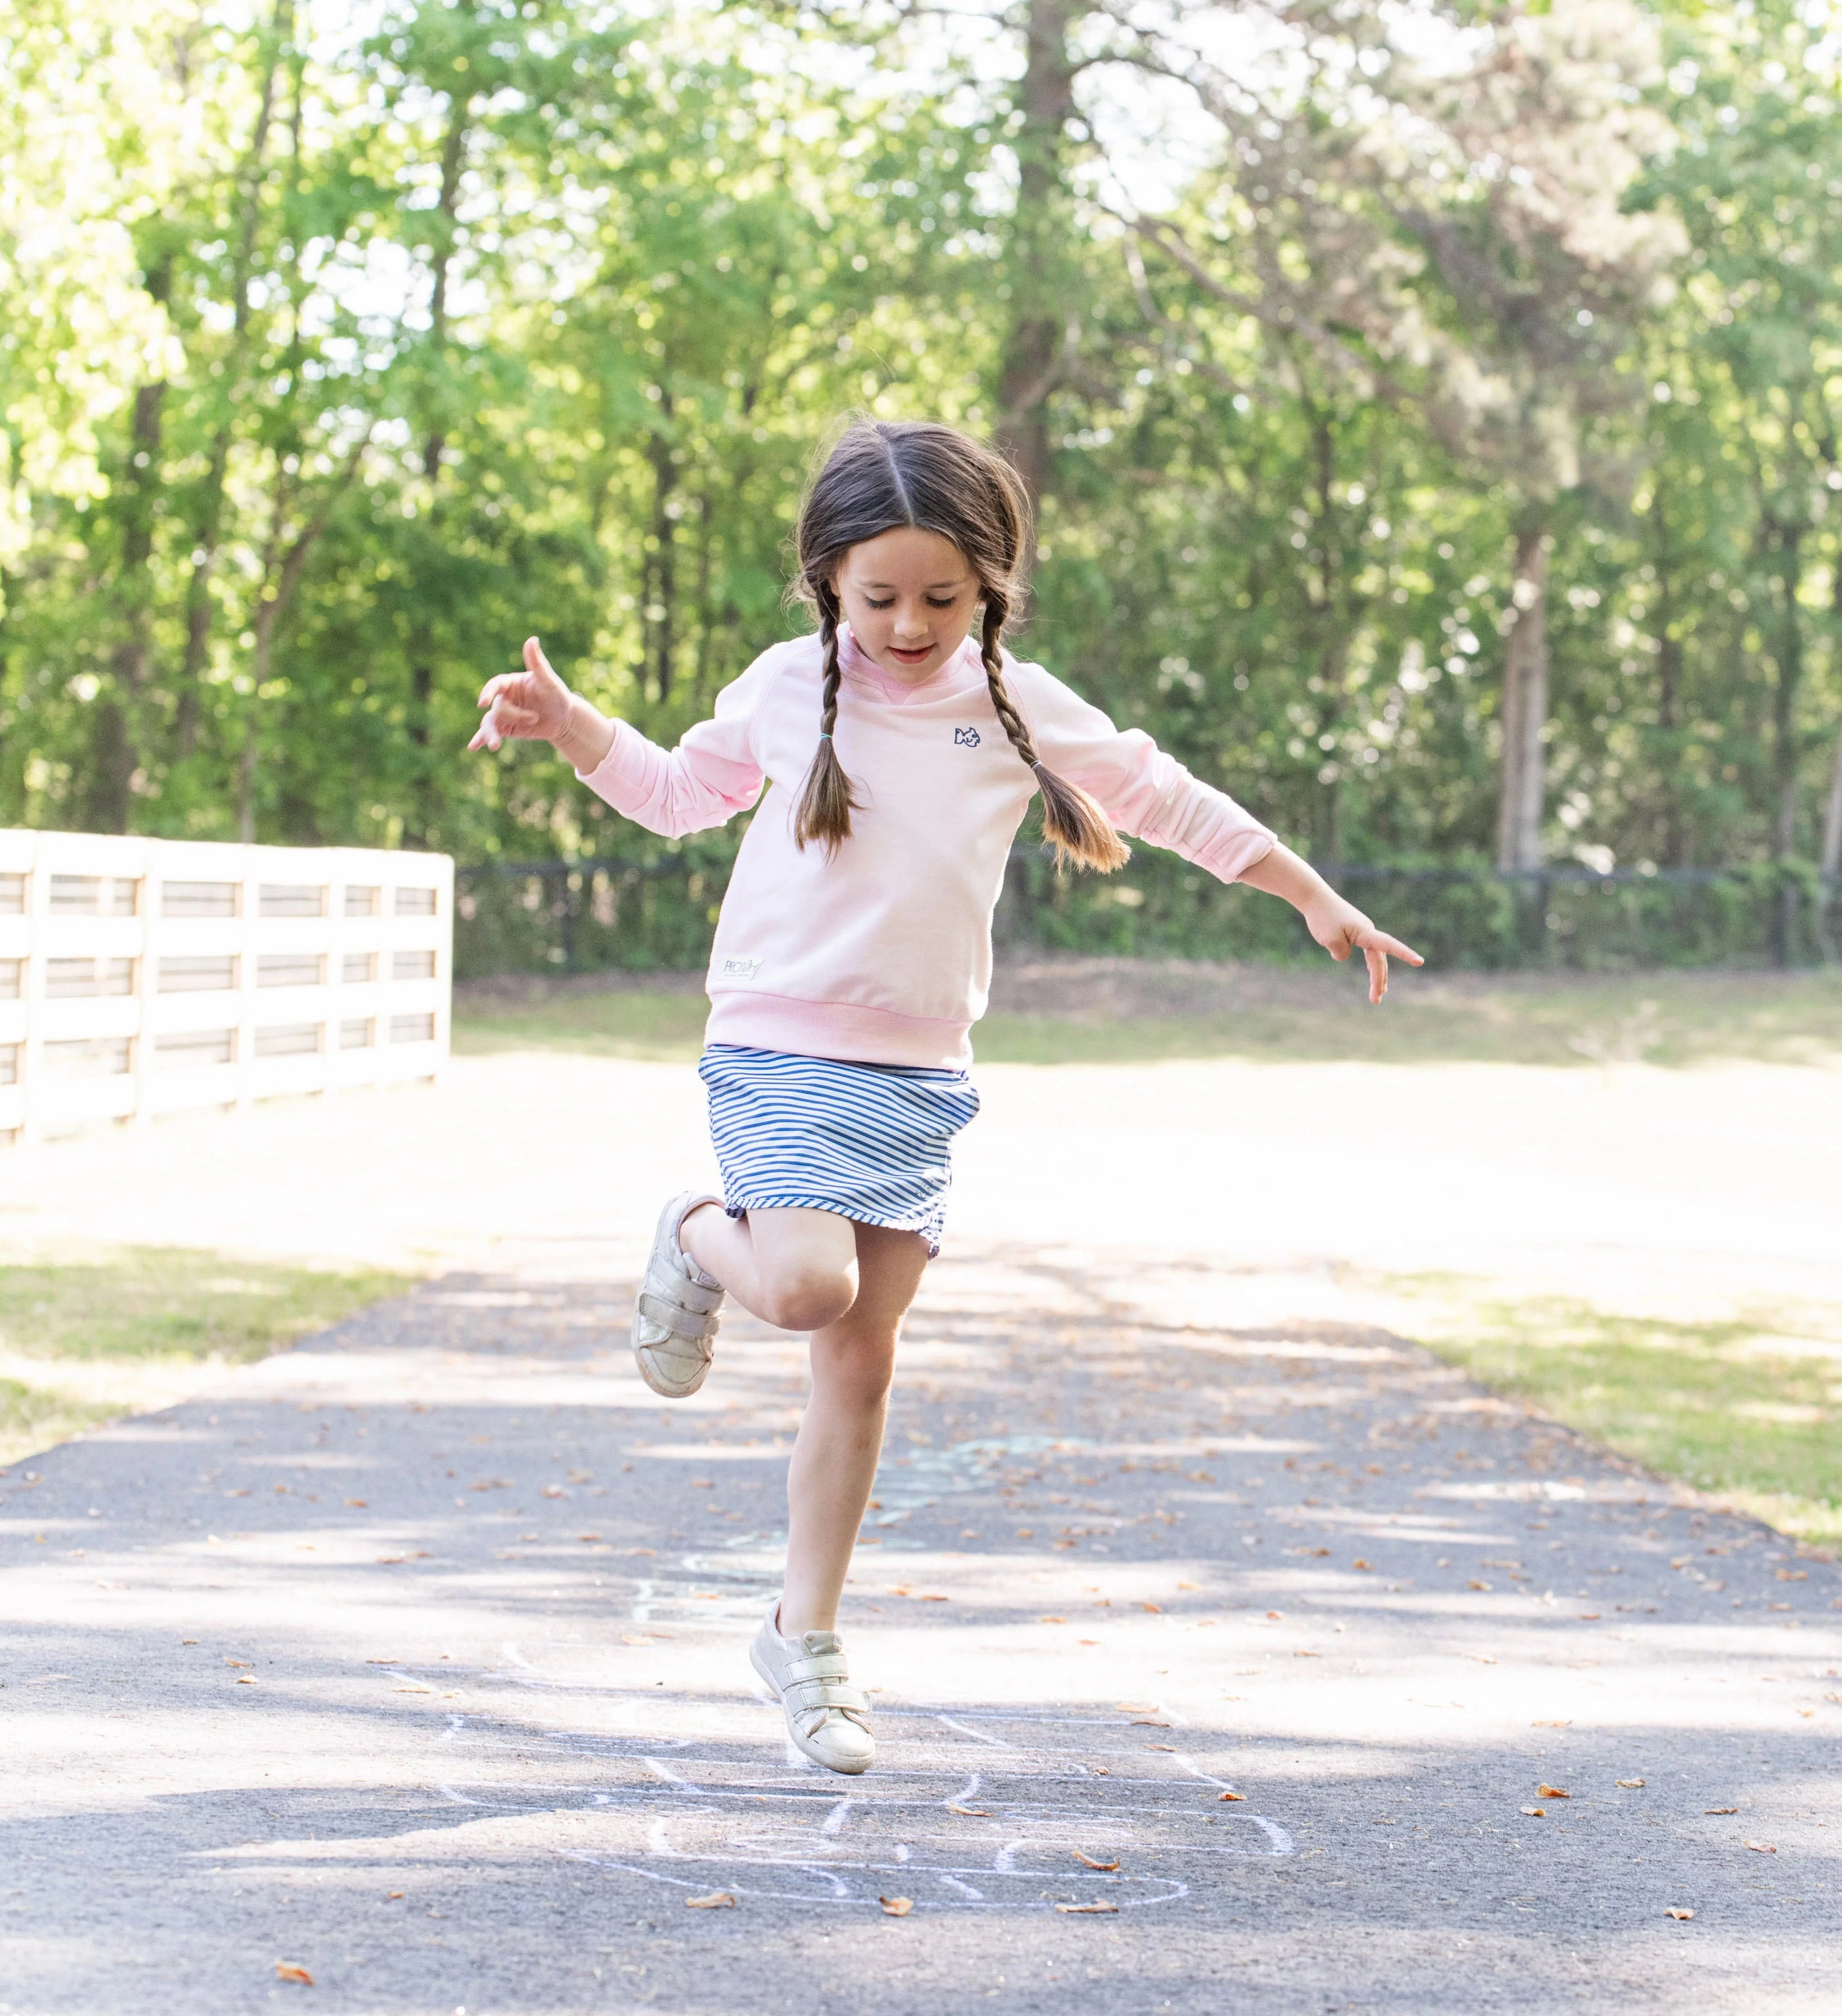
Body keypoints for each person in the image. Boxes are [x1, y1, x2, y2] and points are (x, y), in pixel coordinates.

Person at [467, 417, 1419, 1774]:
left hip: (919, 1076)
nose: (908, 625)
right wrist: (574, 727)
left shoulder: (1016, 707)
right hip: (779, 1046)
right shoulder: (787, 687)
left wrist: (1312, 896)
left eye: (942, 597)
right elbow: (678, 796)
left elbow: (1169, 800)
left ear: (990, 589)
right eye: (879, 598)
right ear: (827, 583)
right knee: (808, 1288)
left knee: (859, 1365)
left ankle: (803, 1638)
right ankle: (695, 1230)